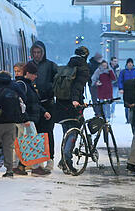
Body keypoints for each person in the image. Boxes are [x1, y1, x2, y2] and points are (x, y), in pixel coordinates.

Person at [55, 46, 92, 174]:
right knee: (73, 133)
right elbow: (78, 86)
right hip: (73, 104)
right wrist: (76, 100)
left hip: (61, 104)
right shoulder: (84, 68)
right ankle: (67, 161)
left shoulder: (68, 66)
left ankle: (63, 160)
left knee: (67, 132)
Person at [13, 61, 51, 176]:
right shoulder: (22, 85)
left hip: (26, 119)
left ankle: (17, 166)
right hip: (26, 119)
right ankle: (36, 168)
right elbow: (19, 103)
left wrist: (43, 112)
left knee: (21, 143)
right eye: (34, 74)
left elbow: (34, 102)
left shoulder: (28, 84)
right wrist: (25, 119)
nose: (36, 76)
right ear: (28, 73)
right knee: (33, 142)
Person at [30, 41, 58, 169]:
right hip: (33, 105)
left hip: (48, 104)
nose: (37, 55)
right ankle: (38, 159)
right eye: (34, 52)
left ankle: (50, 158)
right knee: (35, 132)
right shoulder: (28, 66)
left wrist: (50, 88)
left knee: (47, 132)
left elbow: (57, 82)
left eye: (39, 52)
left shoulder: (51, 66)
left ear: (43, 52)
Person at [117, 59, 135, 123]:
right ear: (126, 64)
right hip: (126, 91)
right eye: (129, 63)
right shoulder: (123, 72)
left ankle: (134, 119)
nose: (130, 64)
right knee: (127, 105)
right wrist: (121, 88)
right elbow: (120, 80)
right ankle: (128, 119)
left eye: (131, 63)